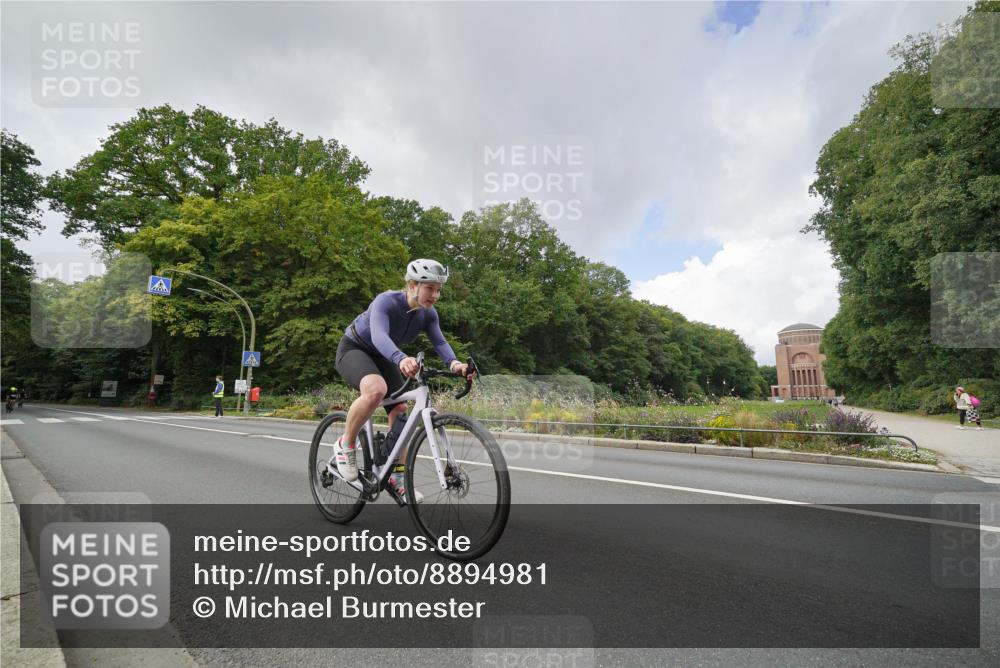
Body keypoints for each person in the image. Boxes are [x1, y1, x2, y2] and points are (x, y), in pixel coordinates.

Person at [334, 259, 474, 504]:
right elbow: (378, 335)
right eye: (430, 288)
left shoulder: (428, 314)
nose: (435, 295)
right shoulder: (386, 301)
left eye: (438, 290)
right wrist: (400, 358)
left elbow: (440, 342)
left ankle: (394, 476)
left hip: (385, 355)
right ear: (412, 285)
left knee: (400, 410)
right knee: (376, 389)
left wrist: (456, 364)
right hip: (355, 348)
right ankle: (345, 445)